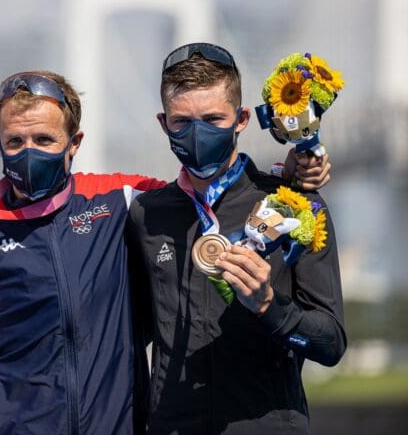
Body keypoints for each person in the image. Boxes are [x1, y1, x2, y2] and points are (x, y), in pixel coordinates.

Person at [0, 69, 332, 434]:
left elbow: (206, 191)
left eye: (45, 139)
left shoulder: (122, 200)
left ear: (74, 142)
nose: (30, 151)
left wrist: (286, 176)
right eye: (16, 140)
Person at [125, 43, 346, 434]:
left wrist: (268, 307)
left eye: (213, 118)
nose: (198, 134)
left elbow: (330, 346)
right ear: (163, 123)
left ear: (242, 118)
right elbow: (127, 333)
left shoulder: (295, 205)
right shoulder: (147, 215)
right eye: (182, 122)